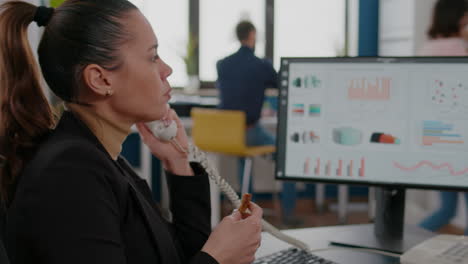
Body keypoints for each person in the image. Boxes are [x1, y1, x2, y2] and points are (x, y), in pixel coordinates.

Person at [0, 1, 263, 263]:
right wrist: (218, 258)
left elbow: (177, 256)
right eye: (152, 56)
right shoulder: (70, 174)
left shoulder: (101, 159)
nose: (167, 70)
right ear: (101, 80)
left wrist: (178, 162)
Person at [216, 21, 298, 226]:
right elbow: (280, 83)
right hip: (250, 131)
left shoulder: (222, 64)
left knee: (246, 160)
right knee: (288, 155)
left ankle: (246, 211)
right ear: (252, 35)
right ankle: (288, 214)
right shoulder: (261, 65)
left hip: (229, 133)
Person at [418, 0, 468, 235]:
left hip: (437, 141)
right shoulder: (459, 47)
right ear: (458, 19)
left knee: (446, 209)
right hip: (460, 142)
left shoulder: (428, 48)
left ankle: (399, 245)